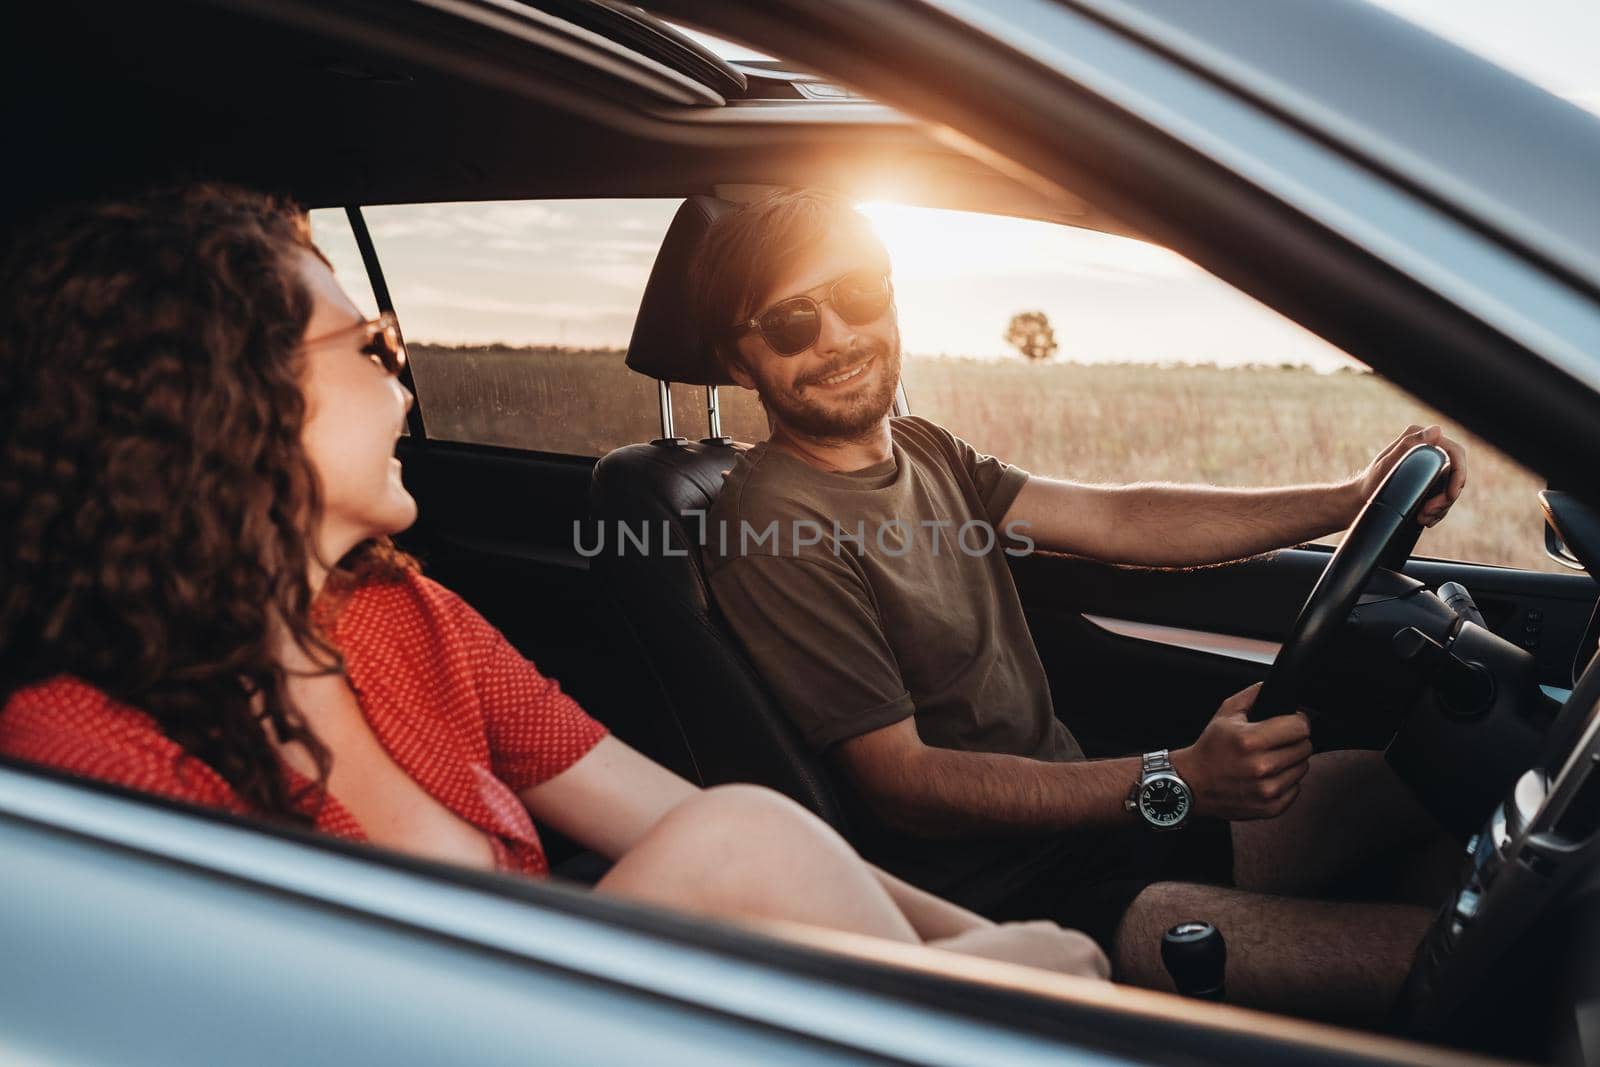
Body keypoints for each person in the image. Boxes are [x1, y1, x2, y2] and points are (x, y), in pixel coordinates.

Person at [0, 183, 1108, 981]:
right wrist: (995, 980)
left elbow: (727, 824)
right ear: (226, 402)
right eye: (373, 347)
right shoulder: (79, 752)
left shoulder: (403, 617)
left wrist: (974, 954)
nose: (404, 386)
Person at [691, 189, 1469, 1023]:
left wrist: (1346, 499)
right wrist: (1177, 777)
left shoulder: (924, 448)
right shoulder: (775, 520)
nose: (838, 335)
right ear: (741, 364)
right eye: (790, 322)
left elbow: (1115, 516)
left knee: (1435, 792)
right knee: (1471, 964)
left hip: (1096, 824)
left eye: (855, 294)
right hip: (1009, 902)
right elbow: (903, 783)